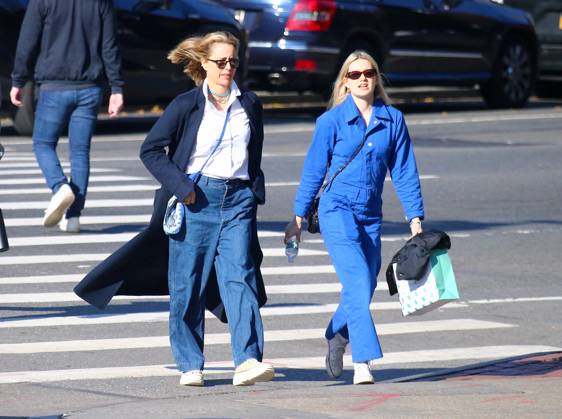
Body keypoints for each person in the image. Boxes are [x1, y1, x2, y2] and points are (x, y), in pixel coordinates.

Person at [139, 31, 273, 387]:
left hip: (238, 201)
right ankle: (190, 363)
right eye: (220, 62)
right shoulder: (186, 104)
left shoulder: (251, 104)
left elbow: (253, 152)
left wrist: (253, 190)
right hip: (198, 199)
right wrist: (183, 189)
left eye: (233, 61)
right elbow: (151, 150)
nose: (228, 68)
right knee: (188, 282)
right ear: (203, 63)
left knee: (240, 278)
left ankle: (247, 360)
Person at [285, 51, 424, 385]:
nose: (363, 78)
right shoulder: (330, 122)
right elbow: (313, 173)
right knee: (359, 280)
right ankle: (363, 361)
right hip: (336, 210)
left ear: (376, 78)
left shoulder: (392, 120)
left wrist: (415, 220)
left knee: (363, 285)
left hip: (370, 215)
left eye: (369, 72)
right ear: (345, 82)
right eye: (355, 73)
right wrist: (298, 219)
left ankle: (336, 331)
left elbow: (404, 173)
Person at [10, 0, 124, 233]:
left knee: (43, 144)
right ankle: (73, 218)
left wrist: (18, 80)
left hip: (53, 86)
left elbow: (27, 41)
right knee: (80, 152)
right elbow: (110, 46)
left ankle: (60, 186)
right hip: (90, 87)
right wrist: (117, 88)